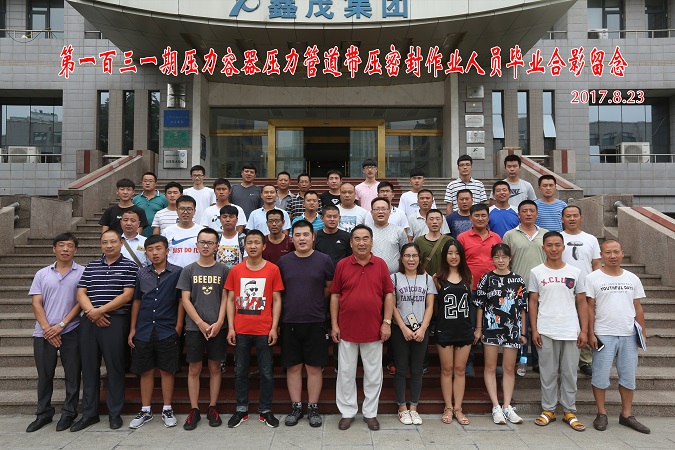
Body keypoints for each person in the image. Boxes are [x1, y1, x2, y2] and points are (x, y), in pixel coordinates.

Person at [71, 230, 138, 431]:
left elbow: (127, 295)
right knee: (89, 368)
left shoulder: (130, 266)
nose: (109, 245)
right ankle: (89, 414)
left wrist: (100, 311)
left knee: (115, 368)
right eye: (105, 242)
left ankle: (114, 413)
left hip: (115, 321)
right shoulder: (91, 266)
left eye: (113, 242)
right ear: (100, 244)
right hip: (89, 322)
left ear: (121, 243)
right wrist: (92, 312)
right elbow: (81, 293)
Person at [330, 225, 395, 431]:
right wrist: (334, 325)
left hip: (374, 329)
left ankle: (370, 413)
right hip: (347, 329)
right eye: (357, 239)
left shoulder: (381, 264)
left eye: (365, 238)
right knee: (346, 373)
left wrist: (386, 322)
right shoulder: (342, 265)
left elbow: (389, 294)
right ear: (351, 243)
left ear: (372, 242)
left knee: (373, 375)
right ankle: (347, 412)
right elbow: (335, 295)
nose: (361, 243)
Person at [586, 240, 650, 434]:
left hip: (628, 334)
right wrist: (590, 332)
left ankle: (626, 415)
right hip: (603, 334)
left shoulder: (632, 278)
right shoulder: (592, 278)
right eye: (608, 252)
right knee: (600, 375)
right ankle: (601, 413)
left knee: (628, 376)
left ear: (622, 253)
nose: (612, 256)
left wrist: (642, 332)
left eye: (616, 252)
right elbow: (589, 307)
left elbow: (637, 306)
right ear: (601, 255)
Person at [278, 220, 335, 427]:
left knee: (314, 368)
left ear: (313, 237)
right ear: (291, 238)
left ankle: (312, 407)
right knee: (293, 367)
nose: (302, 238)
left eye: (305, 234)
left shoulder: (324, 260)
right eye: (297, 235)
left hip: (316, 320)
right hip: (290, 321)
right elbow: (279, 292)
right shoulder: (284, 262)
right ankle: (296, 406)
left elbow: (329, 287)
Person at [530, 231, 588, 432]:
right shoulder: (536, 272)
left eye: (557, 245)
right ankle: (548, 410)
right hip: (546, 329)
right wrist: (534, 329)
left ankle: (569, 411)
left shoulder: (575, 272)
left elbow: (582, 302)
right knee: (548, 372)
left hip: (571, 330)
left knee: (570, 373)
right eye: (549, 245)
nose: (553, 249)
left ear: (563, 247)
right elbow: (533, 302)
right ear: (543, 248)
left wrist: (584, 330)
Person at [226, 229, 284, 429]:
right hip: (241, 329)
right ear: (244, 245)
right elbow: (230, 299)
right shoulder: (236, 270)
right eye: (249, 242)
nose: (252, 246)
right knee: (240, 371)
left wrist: (274, 327)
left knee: (266, 372)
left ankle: (265, 410)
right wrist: (231, 327)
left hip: (264, 329)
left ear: (264, 246)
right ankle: (241, 409)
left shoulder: (273, 269)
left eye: (257, 242)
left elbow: (277, 300)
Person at [27, 233, 83, 433]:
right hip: (43, 333)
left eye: (70, 245)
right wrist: (47, 329)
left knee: (72, 374)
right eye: (61, 245)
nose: (65, 249)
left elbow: (81, 302)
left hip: (72, 330)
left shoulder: (83, 272)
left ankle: (69, 412)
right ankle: (43, 413)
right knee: (45, 375)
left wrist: (61, 325)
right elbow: (36, 303)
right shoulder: (42, 274)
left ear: (75, 249)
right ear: (54, 249)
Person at [127, 234, 183, 429]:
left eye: (158, 248)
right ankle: (146, 409)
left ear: (167, 250)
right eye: (150, 250)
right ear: (146, 253)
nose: (154, 253)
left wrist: (178, 327)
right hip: (144, 329)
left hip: (167, 328)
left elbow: (181, 301)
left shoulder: (177, 272)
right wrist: (133, 328)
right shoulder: (142, 274)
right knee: (146, 370)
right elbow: (137, 301)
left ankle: (167, 408)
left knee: (167, 370)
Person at [177, 228, 229, 430]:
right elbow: (185, 300)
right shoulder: (188, 270)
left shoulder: (224, 270)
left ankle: (212, 407)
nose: (206, 246)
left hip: (217, 327)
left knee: (215, 367)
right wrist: (200, 323)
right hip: (194, 327)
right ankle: (194, 409)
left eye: (210, 243)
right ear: (197, 244)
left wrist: (219, 322)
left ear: (217, 246)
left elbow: (226, 298)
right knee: (194, 368)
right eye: (202, 242)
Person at [474, 243, 528, 425]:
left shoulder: (518, 280)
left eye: (504, 257)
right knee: (490, 367)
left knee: (509, 368)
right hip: (491, 327)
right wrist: (479, 328)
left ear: (510, 258)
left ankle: (507, 406)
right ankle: (496, 406)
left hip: (512, 329)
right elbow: (480, 305)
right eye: (496, 257)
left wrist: (523, 332)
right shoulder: (486, 278)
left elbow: (522, 308)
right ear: (492, 259)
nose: (500, 260)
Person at [390, 243, 435, 425]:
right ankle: (402, 408)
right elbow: (392, 305)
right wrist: (403, 327)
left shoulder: (427, 279)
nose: (411, 259)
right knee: (401, 369)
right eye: (407, 256)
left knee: (417, 370)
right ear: (401, 258)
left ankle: (414, 408)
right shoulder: (394, 278)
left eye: (414, 256)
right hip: (400, 328)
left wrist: (423, 328)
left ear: (419, 258)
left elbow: (430, 305)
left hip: (421, 329)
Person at [502, 200, 547, 375]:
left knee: (538, 325)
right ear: (518, 214)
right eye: (524, 211)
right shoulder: (510, 235)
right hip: (518, 289)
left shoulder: (546, 234)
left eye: (531, 211)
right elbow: (505, 261)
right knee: (520, 326)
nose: (528, 214)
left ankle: (538, 360)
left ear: (537, 214)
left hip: (542, 289)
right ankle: (521, 360)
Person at [433, 239, 474, 426]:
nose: (453, 256)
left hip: (464, 329)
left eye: (457, 253)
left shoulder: (468, 276)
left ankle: (458, 408)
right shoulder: (438, 278)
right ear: (445, 256)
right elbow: (435, 307)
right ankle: (448, 407)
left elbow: (470, 303)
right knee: (447, 369)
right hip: (445, 330)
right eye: (450, 253)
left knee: (460, 370)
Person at [457, 204, 501, 377]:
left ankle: (491, 364)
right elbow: (458, 262)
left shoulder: (496, 237)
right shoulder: (462, 238)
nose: (480, 219)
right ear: (470, 218)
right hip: (471, 289)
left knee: (491, 326)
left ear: (488, 218)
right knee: (470, 326)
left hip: (493, 290)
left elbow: (501, 260)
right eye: (477, 216)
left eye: (483, 215)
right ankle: (468, 362)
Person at [561, 205, 601, 377]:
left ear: (581, 218)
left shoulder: (591, 239)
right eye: (568, 216)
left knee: (587, 322)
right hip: (562, 288)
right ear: (562, 219)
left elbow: (596, 263)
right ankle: (563, 359)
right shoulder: (558, 238)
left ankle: (585, 360)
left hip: (586, 287)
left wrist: (597, 283)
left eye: (575, 215)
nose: (572, 219)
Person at [370, 197, 409, 275]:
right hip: (371, 275)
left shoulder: (399, 231)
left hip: (394, 276)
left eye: (384, 209)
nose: (380, 212)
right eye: (377, 209)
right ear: (371, 212)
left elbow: (405, 253)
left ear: (389, 212)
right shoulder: (366, 231)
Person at [163, 195, 203, 268]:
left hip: (196, 271)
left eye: (189, 209)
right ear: (177, 210)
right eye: (182, 209)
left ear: (194, 211)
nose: (185, 212)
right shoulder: (167, 231)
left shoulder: (202, 231)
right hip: (174, 272)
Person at [414, 209, 454, 277]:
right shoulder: (418, 241)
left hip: (445, 278)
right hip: (424, 279)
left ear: (442, 222)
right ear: (426, 222)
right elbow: (416, 261)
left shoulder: (449, 240)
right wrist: (427, 277)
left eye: (437, 219)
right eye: (431, 219)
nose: (434, 222)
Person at [133, 172, 168, 237]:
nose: (147, 183)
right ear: (142, 183)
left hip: (158, 233)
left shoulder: (163, 198)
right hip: (140, 234)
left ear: (156, 184)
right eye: (145, 181)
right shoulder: (136, 199)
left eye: (150, 181)